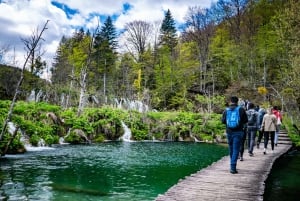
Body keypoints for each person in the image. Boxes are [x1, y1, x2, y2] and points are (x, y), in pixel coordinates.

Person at [222, 96, 248, 174]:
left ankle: (232, 164)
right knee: (236, 149)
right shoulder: (241, 109)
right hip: (238, 132)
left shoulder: (226, 110)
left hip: (229, 132)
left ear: (230, 101)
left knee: (231, 149)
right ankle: (233, 168)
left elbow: (223, 121)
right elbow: (246, 121)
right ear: (237, 102)